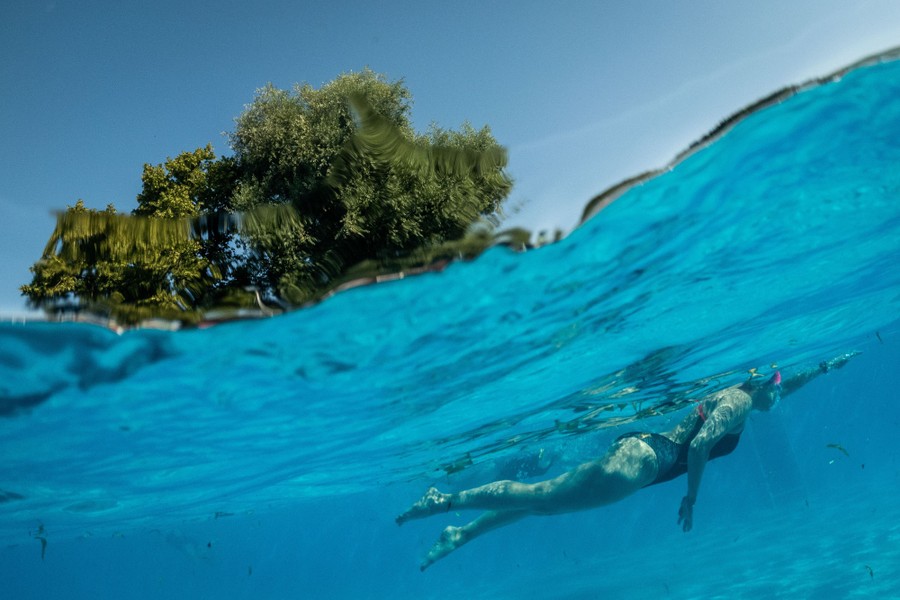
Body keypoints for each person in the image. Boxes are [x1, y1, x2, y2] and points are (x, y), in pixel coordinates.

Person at [396, 353, 857, 571]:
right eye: (774, 382)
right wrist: (692, 498)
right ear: (757, 384)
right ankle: (445, 501)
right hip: (647, 464)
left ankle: (463, 531)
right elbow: (698, 449)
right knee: (544, 499)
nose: (780, 388)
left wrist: (820, 370)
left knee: (546, 499)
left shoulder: (751, 396)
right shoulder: (737, 402)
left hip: (643, 452)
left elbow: (779, 391)